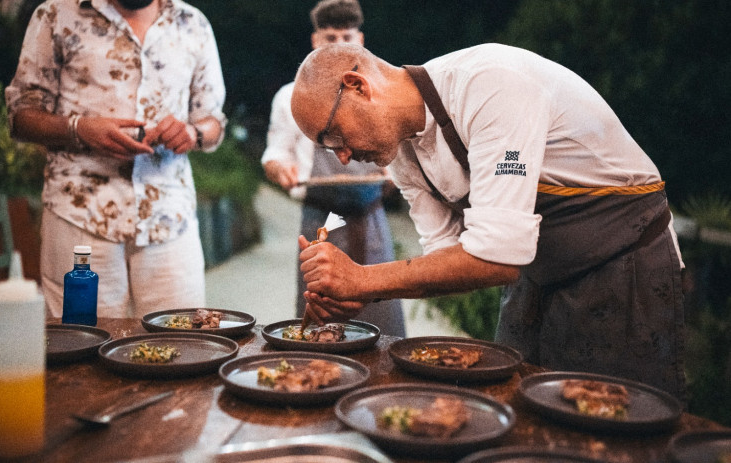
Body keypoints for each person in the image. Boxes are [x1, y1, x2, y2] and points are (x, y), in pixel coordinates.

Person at [290, 42, 686, 400]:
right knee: (520, 411)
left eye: (332, 136)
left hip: (623, 266)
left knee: (623, 422)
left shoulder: (490, 87)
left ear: (357, 85)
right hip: (537, 278)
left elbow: (497, 258)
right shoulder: (403, 155)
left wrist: (362, 278)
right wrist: (356, 293)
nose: (340, 156)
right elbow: (447, 263)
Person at [5, 0, 226, 318]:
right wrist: (78, 128)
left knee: (184, 348)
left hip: (170, 219)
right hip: (79, 217)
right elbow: (20, 115)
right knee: (81, 350)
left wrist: (193, 133)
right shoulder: (54, 14)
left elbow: (213, 121)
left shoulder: (194, 22)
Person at [262, 0, 405, 336]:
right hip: (318, 217)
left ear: (361, 39)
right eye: (330, 38)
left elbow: (402, 157)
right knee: (320, 320)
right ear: (315, 41)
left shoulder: (380, 94)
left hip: (370, 216)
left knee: (381, 320)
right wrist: (279, 170)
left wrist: (395, 176)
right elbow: (275, 154)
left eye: (346, 36)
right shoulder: (290, 96)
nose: (339, 45)